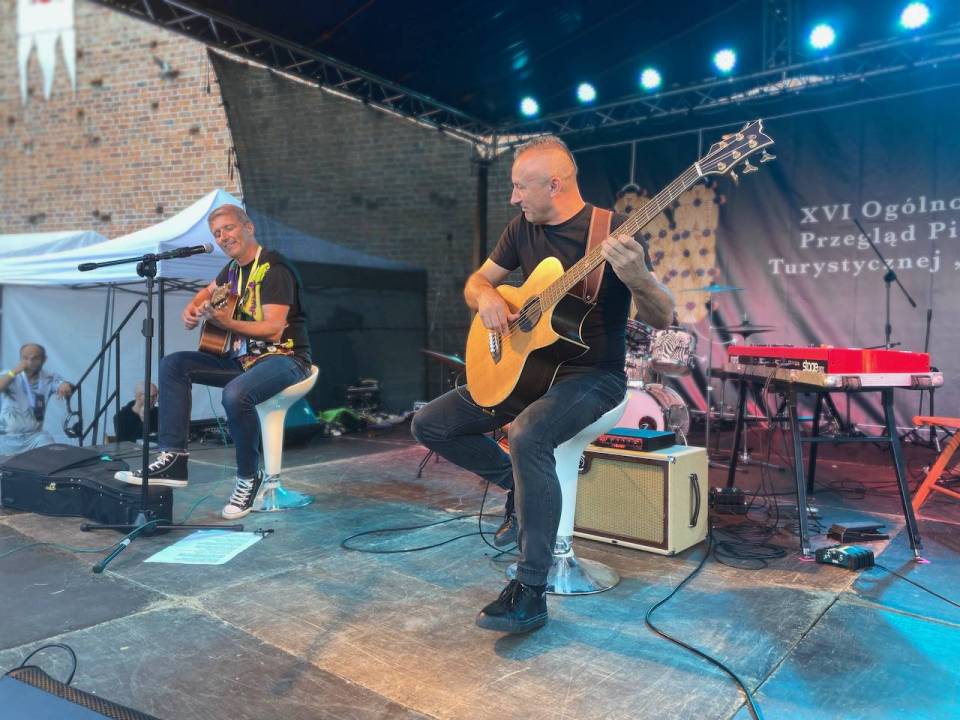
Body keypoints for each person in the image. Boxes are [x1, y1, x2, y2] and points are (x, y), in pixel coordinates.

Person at [411, 136, 674, 634]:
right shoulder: (521, 229)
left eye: (519, 187)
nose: (513, 198)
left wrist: (639, 279)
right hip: (529, 372)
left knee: (528, 432)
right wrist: (488, 297)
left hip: (593, 378)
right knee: (431, 424)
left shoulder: (612, 231)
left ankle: (530, 591)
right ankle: (519, 486)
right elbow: (477, 281)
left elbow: (662, 316)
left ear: (554, 185)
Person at [115, 204, 312, 520]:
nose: (223, 237)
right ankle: (174, 458)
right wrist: (193, 310)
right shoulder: (230, 271)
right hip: (242, 362)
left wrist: (226, 322)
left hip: (285, 358)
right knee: (173, 365)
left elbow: (273, 329)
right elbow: (205, 293)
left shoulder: (274, 269)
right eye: (217, 233)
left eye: (228, 228)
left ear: (248, 227)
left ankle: (248, 477)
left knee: (235, 393)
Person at [0, 343, 74, 455]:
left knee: (51, 451)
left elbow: (63, 384)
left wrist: (65, 385)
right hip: (5, 437)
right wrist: (13, 372)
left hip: (34, 437)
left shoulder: (49, 377)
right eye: (25, 358)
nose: (30, 362)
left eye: (35, 358)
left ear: (44, 359)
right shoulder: (9, 374)